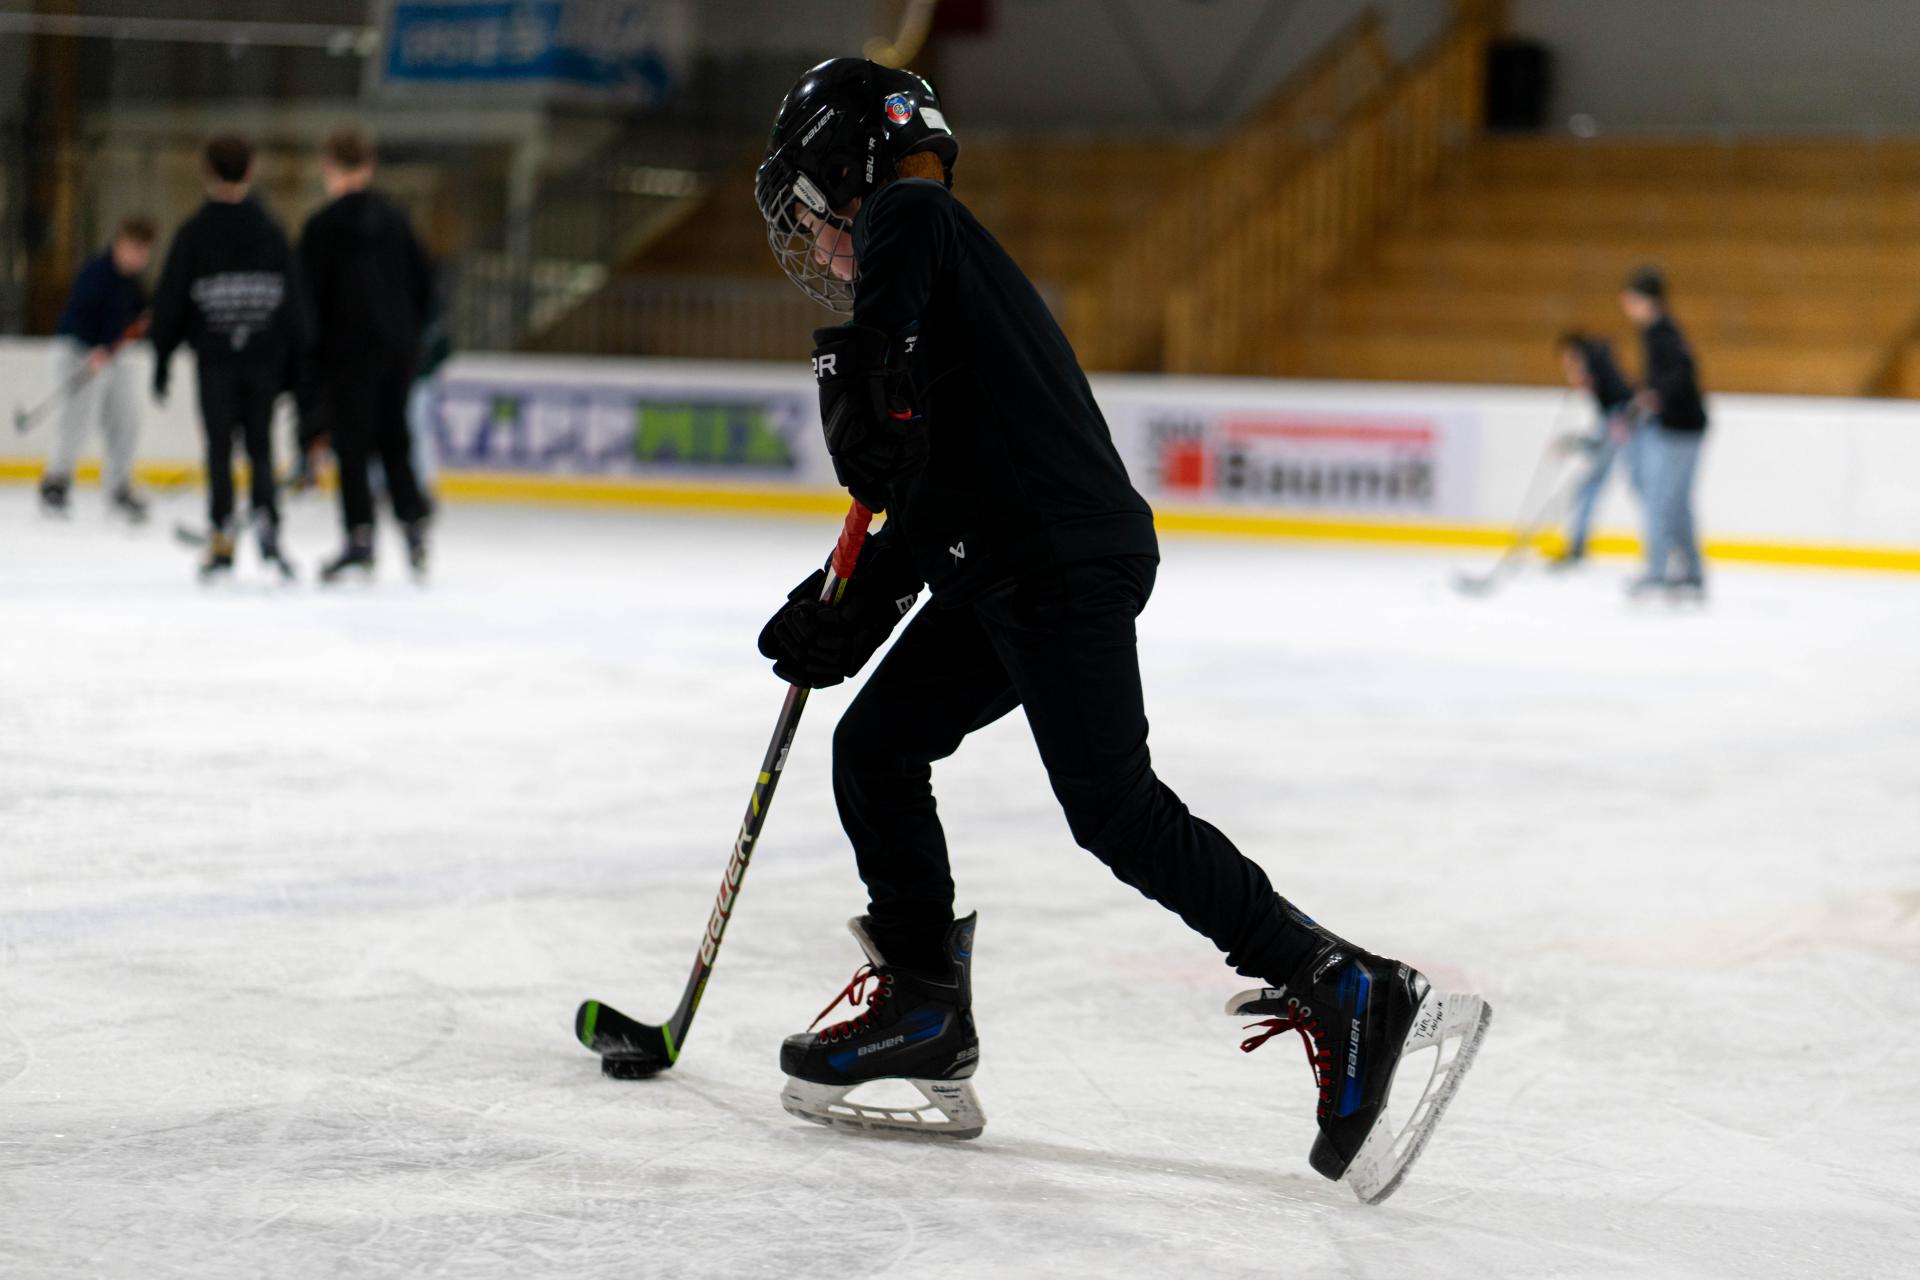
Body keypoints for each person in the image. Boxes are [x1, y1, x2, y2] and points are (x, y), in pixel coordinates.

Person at [749, 58, 1490, 1203]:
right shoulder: (929, 283)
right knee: (877, 746)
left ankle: (1345, 984)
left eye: (812, 210)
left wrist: (875, 368)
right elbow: (933, 487)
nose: (817, 241)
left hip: (1051, 559)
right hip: (1005, 560)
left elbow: (899, 371)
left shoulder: (910, 216)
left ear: (850, 171)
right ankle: (924, 1004)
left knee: (1112, 805)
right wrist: (846, 606)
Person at [150, 133, 306, 579]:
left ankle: (222, 533)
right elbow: (294, 302)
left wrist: (162, 357)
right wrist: (298, 367)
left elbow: (171, 300)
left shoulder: (195, 233)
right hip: (263, 359)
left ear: (207, 173)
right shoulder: (271, 230)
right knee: (260, 446)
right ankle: (268, 526)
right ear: (250, 171)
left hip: (216, 358)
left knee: (219, 448)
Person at [297, 126, 435, 582]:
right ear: (370, 166)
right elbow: (425, 284)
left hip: (346, 355)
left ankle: (360, 537)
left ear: (328, 167)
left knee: (352, 448)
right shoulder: (396, 220)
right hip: (396, 352)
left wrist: (308, 367)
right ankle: (414, 528)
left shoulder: (321, 228)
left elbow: (307, 303)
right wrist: (410, 338)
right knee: (395, 439)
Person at [37, 217, 156, 523]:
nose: (138, 258)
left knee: (126, 417)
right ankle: (56, 481)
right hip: (78, 351)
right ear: (120, 243)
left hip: (112, 355)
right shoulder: (96, 273)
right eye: (134, 250)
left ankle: (118, 487)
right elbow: (79, 313)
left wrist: (146, 321)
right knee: (77, 418)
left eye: (143, 253)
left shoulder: (132, 282)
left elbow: (139, 315)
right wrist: (92, 347)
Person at [1619, 267, 1708, 597]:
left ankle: (1657, 571)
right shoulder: (1656, 331)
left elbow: (1683, 373)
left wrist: (1655, 394)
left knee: (1659, 500)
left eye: (1632, 300)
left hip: (1678, 428)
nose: (1627, 307)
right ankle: (1692, 571)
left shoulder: (1662, 332)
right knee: (1675, 502)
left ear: (1647, 301)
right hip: (1680, 426)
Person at [1547, 331, 1639, 569]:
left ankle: (1577, 544)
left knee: (1632, 486)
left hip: (1621, 421)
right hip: (1617, 420)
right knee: (1596, 484)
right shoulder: (1601, 364)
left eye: (1568, 361)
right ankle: (1577, 543)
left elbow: (1605, 431)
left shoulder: (1596, 363)